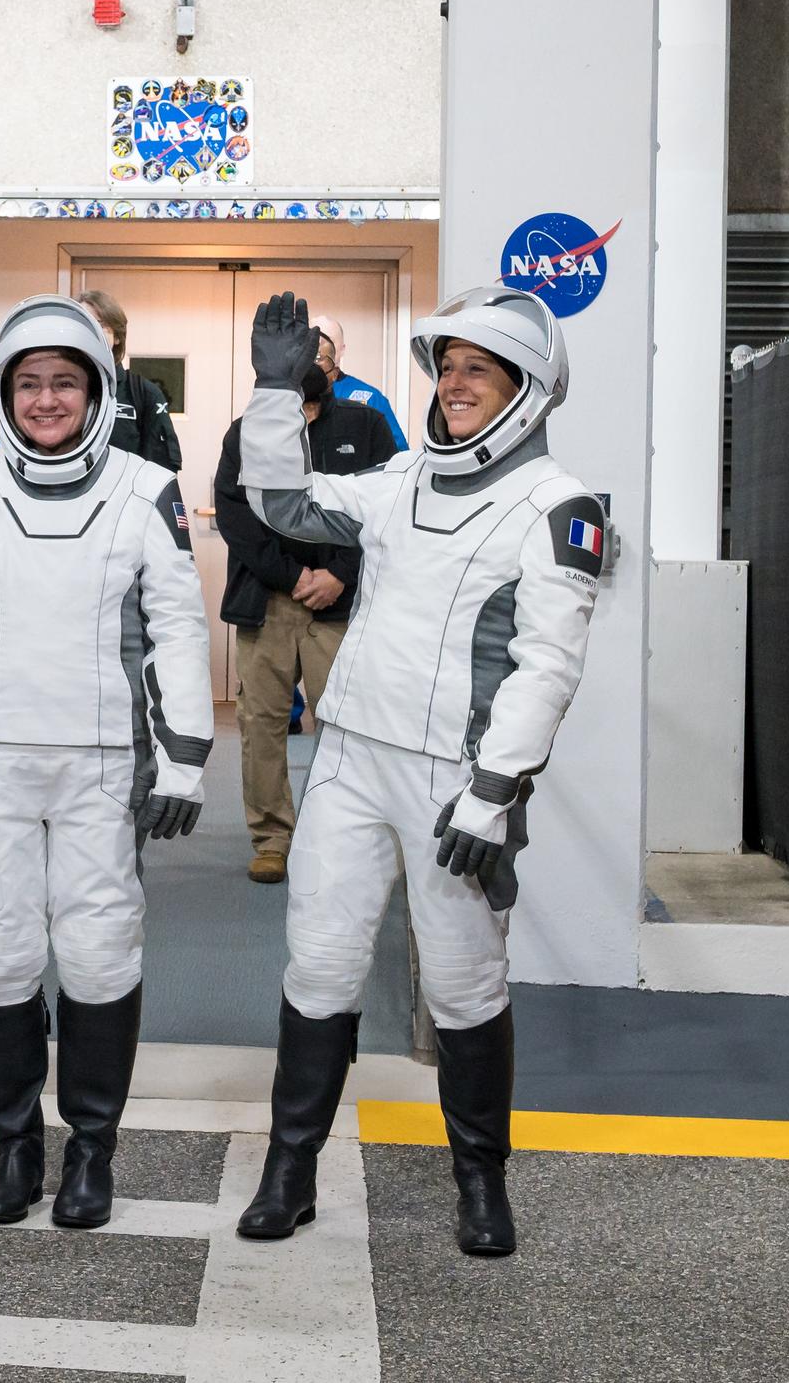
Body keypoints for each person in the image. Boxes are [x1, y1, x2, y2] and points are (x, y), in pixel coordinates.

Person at [233, 288, 603, 1258]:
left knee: (465, 984)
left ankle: (482, 1183)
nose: (454, 384)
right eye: (447, 366)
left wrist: (496, 790)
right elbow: (282, 502)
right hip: (351, 757)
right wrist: (276, 393)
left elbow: (547, 666)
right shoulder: (400, 480)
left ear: (529, 389)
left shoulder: (558, 508)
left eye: (478, 368)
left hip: (456, 783)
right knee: (318, 961)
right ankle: (291, 1168)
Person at [0, 295, 213, 1231]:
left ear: (98, 389)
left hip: (105, 757)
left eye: (67, 380)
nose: (48, 399)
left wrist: (184, 756)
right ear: (5, 394)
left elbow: (179, 623)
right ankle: (16, 1144)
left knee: (100, 950)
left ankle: (92, 1149)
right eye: (30, 383)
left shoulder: (146, 488)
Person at [214, 361, 395, 884]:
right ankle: (272, 839)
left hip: (340, 604)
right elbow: (235, 515)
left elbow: (385, 508)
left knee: (345, 729)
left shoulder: (367, 427)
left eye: (311, 410)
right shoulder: (247, 432)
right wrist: (293, 576)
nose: (303, 418)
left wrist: (340, 573)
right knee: (261, 724)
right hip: (268, 598)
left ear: (325, 398)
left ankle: (341, 839)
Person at [78, 289, 183, 471]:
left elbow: (161, 468)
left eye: (99, 324)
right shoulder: (55, 391)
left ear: (117, 336)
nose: (90, 332)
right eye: (83, 324)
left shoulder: (144, 393)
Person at [312, 314, 408, 451]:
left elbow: (398, 457)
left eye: (329, 340)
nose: (320, 348)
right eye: (314, 340)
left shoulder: (371, 398)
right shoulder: (289, 396)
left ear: (342, 348)